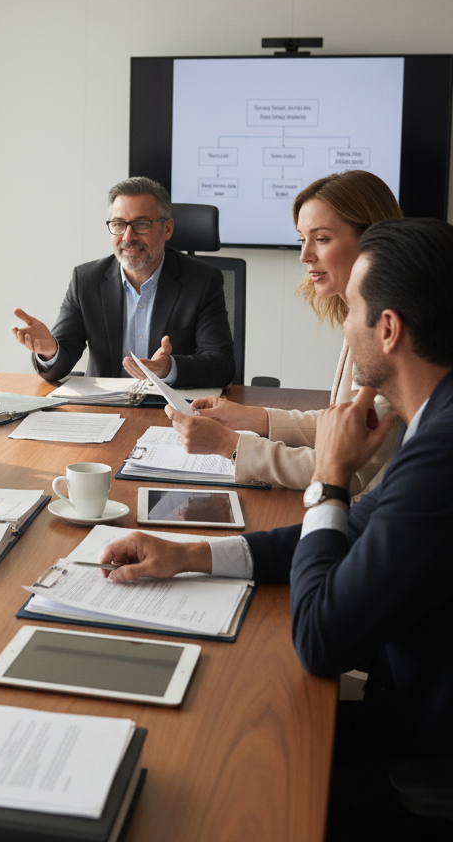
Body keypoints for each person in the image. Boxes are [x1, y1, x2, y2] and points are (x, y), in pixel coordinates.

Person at [99, 218, 453, 840]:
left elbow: (320, 638)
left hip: (422, 746)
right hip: (412, 708)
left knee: (220, 778)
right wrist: (189, 555)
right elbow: (357, 530)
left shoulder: (442, 451)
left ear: (389, 329)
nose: (344, 324)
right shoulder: (434, 421)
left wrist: (330, 475)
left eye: (353, 312)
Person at [166, 170, 403, 493]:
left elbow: (351, 472)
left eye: (321, 239)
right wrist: (254, 419)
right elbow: (343, 425)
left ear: (373, 240)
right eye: (302, 240)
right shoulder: (364, 314)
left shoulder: (389, 333)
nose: (305, 256)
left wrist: (232, 446)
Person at [13, 175, 234, 387]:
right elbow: (61, 361)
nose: (128, 237)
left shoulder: (202, 281)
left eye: (141, 224)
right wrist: (50, 351)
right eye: (119, 224)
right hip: (104, 410)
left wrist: (169, 368)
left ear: (167, 229)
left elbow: (221, 364)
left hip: (169, 408)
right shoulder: (86, 280)